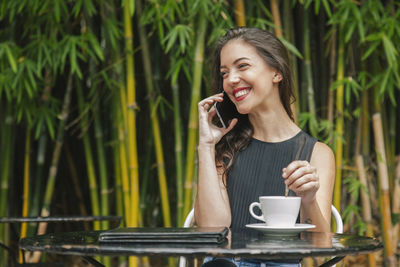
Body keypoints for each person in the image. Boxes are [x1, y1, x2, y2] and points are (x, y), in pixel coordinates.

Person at [194, 27, 335, 267]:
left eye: (242, 66)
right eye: (224, 73)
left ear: (276, 72)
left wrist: (308, 199)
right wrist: (206, 146)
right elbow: (211, 230)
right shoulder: (224, 147)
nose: (231, 79)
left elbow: (319, 247)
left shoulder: (317, 153)